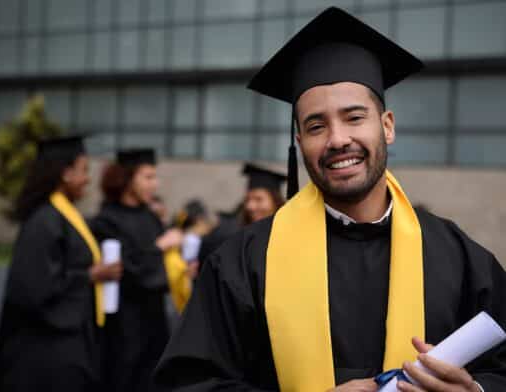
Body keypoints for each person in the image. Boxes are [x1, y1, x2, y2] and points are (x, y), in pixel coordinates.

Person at [153, 7, 506, 392]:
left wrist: (475, 390)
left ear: (386, 126)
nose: (337, 139)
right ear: (300, 142)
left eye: (354, 118)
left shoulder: (457, 257)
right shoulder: (244, 262)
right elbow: (187, 383)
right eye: (316, 126)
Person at [0, 136, 122, 392]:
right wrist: (90, 275)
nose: (88, 178)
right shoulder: (45, 220)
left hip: (69, 340)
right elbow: (33, 289)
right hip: (47, 351)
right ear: (66, 173)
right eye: (84, 170)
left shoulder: (65, 214)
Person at [90, 148, 188, 392]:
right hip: (123, 325)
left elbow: (161, 271)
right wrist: (160, 246)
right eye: (148, 177)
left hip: (154, 322)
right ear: (127, 178)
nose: (155, 184)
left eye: (155, 177)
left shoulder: (150, 217)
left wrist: (183, 271)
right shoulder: (106, 221)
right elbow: (131, 270)